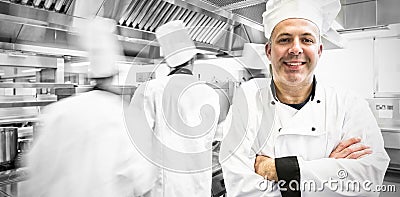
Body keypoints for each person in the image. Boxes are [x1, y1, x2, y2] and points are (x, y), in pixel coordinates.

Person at [219, 0, 390, 196]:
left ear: (319, 50)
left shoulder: (348, 104)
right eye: (284, 39)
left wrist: (276, 169)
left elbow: (368, 182)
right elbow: (241, 189)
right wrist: (329, 169)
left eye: (307, 40)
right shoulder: (248, 100)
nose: (295, 49)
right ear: (268, 51)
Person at [21, 17, 155, 197]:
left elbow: (34, 175)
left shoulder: (57, 113)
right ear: (116, 73)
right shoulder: (128, 120)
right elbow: (144, 185)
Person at [128, 20, 220, 197]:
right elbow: (213, 139)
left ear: (168, 62)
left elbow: (135, 144)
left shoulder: (150, 90)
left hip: (164, 189)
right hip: (199, 187)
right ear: (193, 59)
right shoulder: (210, 94)